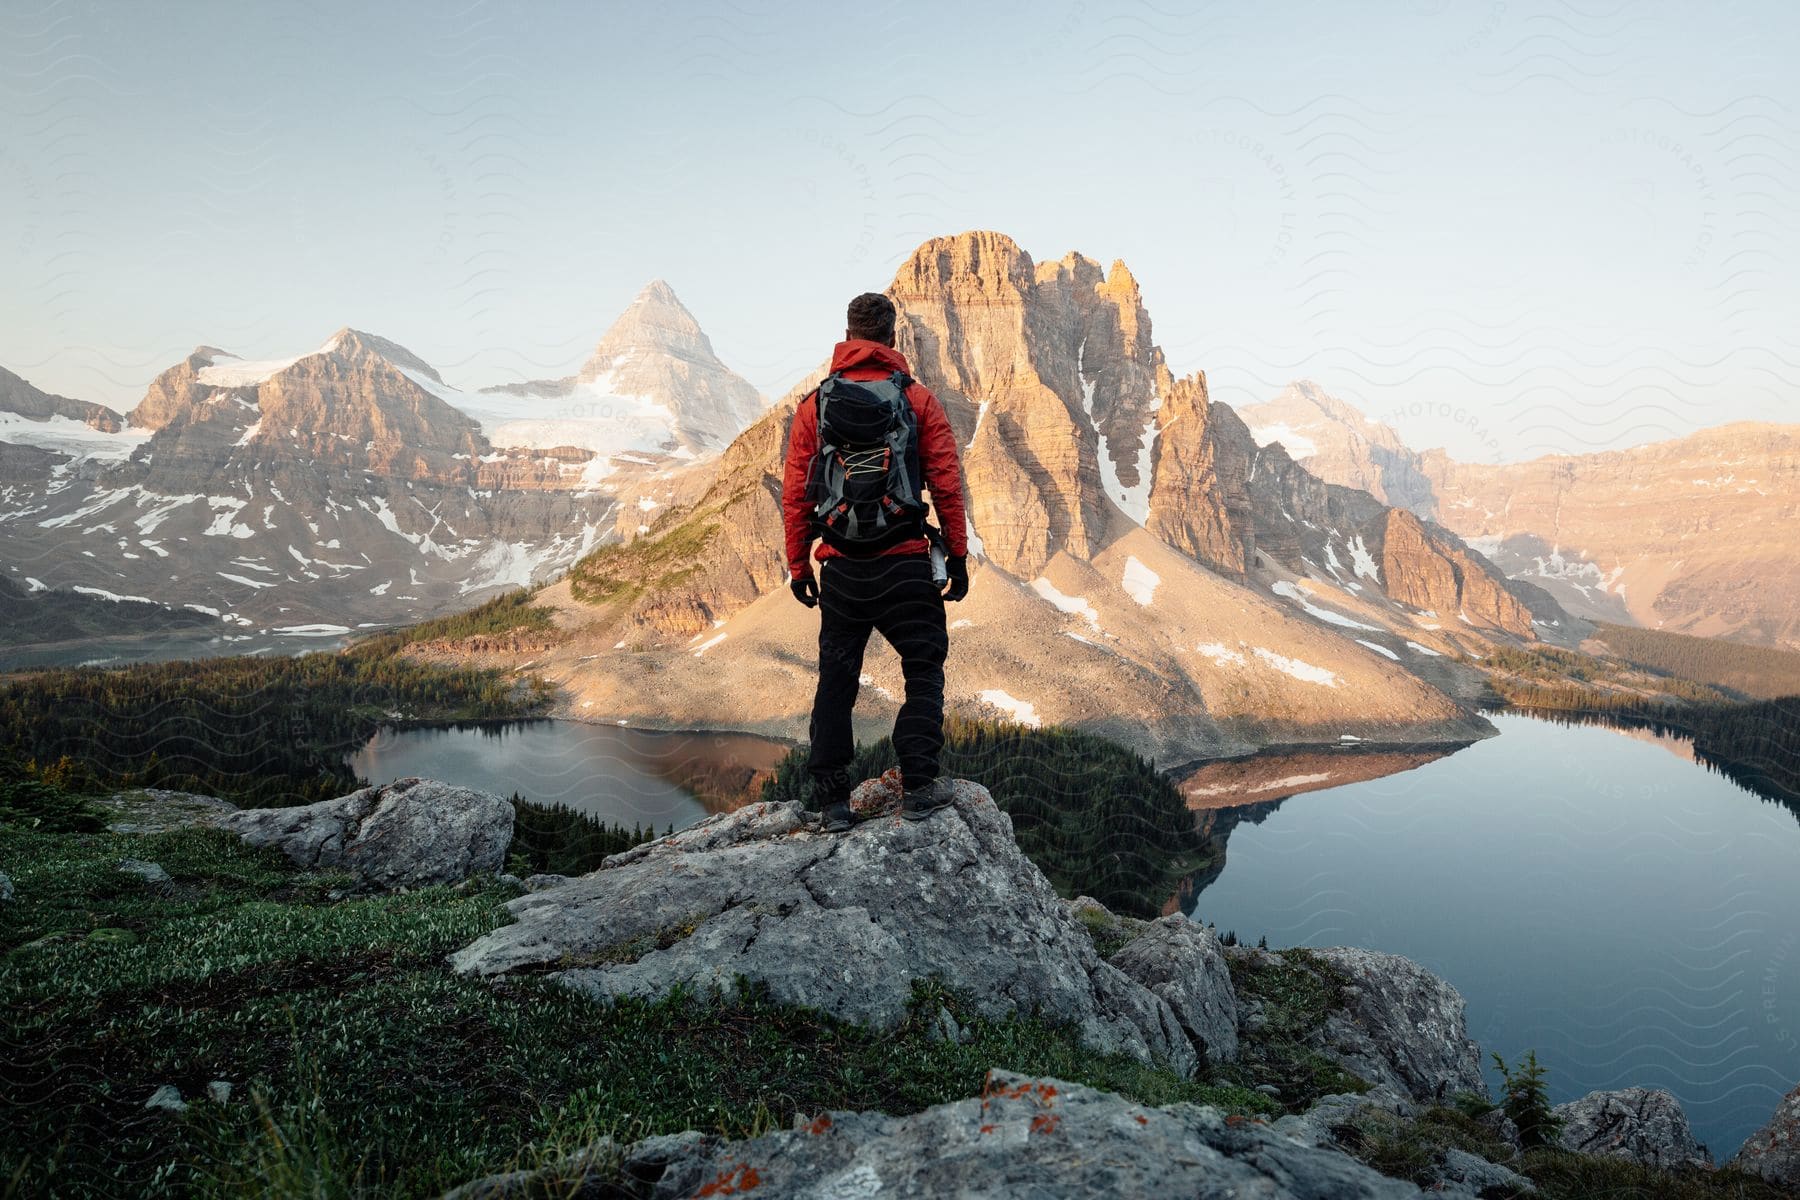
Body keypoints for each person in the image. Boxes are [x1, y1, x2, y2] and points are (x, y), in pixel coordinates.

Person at [781, 292, 970, 831]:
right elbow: (947, 485)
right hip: (905, 563)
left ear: (848, 333)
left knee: (837, 680)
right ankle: (919, 787)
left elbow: (797, 494)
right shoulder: (918, 400)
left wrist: (800, 566)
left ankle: (834, 803)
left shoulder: (813, 406)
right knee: (923, 667)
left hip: (841, 566)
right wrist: (955, 557)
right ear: (892, 337)